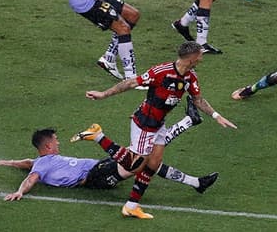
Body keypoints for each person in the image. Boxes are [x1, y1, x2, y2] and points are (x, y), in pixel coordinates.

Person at [79, 40, 238, 219]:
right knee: (134, 166)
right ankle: (98, 136)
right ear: (192, 58)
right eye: (200, 54)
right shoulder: (161, 72)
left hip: (159, 124)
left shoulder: (190, 77)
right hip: (144, 125)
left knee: (153, 164)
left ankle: (131, 206)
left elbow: (198, 100)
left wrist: (217, 116)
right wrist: (103, 94)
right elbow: (131, 83)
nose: (202, 57)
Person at [0, 100, 216, 202]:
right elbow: (31, 176)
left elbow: (26, 163)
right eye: (55, 141)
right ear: (47, 146)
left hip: (100, 166)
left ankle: (197, 182)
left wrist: (4, 163)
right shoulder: (42, 164)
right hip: (94, 177)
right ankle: (188, 122)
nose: (58, 143)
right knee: (144, 159)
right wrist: (20, 191)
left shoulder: (41, 160)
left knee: (148, 159)